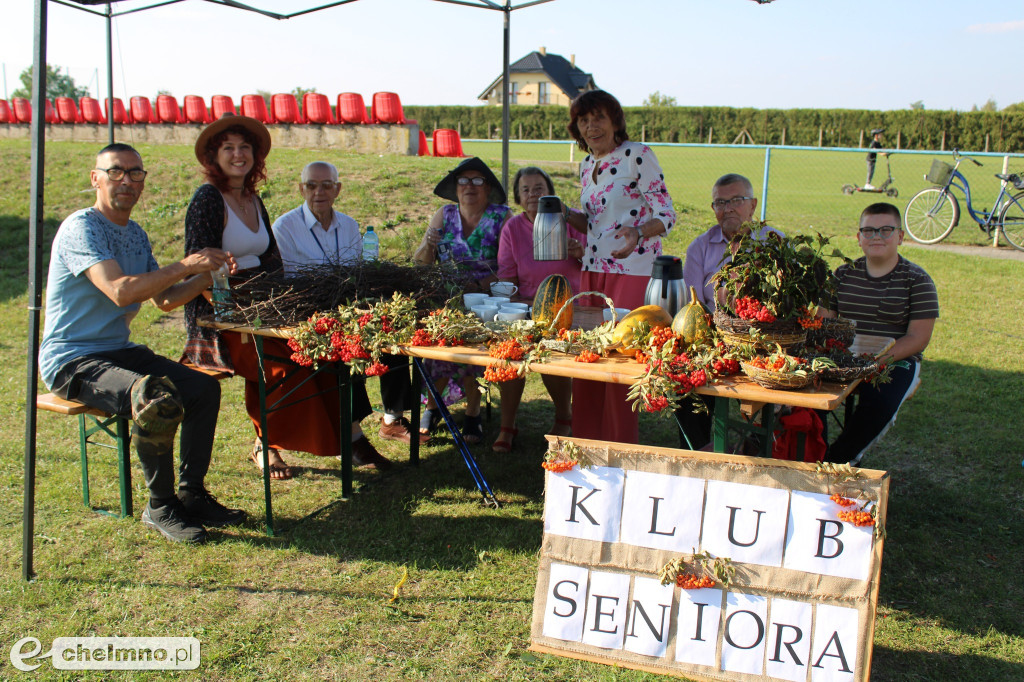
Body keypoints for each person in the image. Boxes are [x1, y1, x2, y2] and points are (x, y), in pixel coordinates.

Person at [39, 142, 245, 544]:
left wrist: (208, 274)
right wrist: (187, 263)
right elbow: (119, 291)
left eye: (136, 173)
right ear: (95, 178)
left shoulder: (134, 232)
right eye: (116, 171)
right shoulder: (81, 227)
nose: (127, 181)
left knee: (202, 388)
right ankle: (161, 505)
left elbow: (163, 298)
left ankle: (192, 493)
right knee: (156, 395)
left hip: (117, 350)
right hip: (72, 359)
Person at [182, 115, 390, 477]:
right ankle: (269, 445)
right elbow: (198, 266)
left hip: (264, 302)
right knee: (284, 358)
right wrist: (238, 309)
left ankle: (350, 436)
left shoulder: (251, 198)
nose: (237, 155)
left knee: (323, 344)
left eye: (244, 147)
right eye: (228, 148)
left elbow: (271, 261)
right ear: (214, 156)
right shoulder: (208, 199)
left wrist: (284, 306)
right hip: (221, 312)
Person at [272, 161, 426, 448]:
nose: (319, 192)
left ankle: (393, 419)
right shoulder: (285, 227)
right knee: (346, 347)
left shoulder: (348, 225)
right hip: (312, 314)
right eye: (311, 185)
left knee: (392, 335)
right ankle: (354, 435)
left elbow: (359, 273)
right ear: (301, 189)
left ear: (338, 189)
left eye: (326, 185)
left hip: (349, 308)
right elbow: (290, 284)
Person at [565, 89, 676, 444]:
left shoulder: (636, 156)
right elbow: (594, 223)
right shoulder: (585, 166)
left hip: (633, 270)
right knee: (587, 355)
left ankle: (618, 444)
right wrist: (561, 213)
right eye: (584, 120)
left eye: (598, 118)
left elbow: (667, 215)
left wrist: (638, 232)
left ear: (615, 121)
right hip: (592, 270)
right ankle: (584, 441)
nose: (591, 126)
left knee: (619, 358)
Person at [823, 202, 938, 465]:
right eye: (869, 231)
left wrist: (875, 362)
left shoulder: (918, 281)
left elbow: (918, 339)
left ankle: (841, 459)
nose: (876, 237)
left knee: (879, 402)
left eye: (886, 230)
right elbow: (823, 323)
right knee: (804, 394)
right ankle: (810, 451)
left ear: (900, 236)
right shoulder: (841, 274)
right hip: (843, 356)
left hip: (895, 361)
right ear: (859, 238)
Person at [678, 173, 780, 449]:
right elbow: (693, 305)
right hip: (712, 340)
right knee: (684, 385)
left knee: (771, 398)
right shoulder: (700, 247)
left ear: (753, 205)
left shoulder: (776, 243)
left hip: (765, 342)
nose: (728, 208)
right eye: (720, 203)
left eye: (737, 200)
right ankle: (699, 454)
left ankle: (757, 446)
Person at [413, 157, 511, 443]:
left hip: (488, 300)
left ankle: (472, 412)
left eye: (478, 181)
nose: (470, 186)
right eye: (463, 181)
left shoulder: (502, 217)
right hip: (448, 298)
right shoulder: (444, 215)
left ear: (488, 188)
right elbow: (422, 264)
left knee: (474, 349)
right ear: (455, 189)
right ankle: (432, 406)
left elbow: (509, 267)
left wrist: (479, 285)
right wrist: (427, 245)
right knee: (438, 345)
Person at [492, 166, 586, 452]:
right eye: (526, 190)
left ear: (551, 194)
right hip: (526, 307)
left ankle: (564, 417)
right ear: (518, 199)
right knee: (507, 352)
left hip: (570, 308)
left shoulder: (571, 223)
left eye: (539, 189)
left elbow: (597, 265)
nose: (533, 195)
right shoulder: (512, 229)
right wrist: (523, 307)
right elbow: (507, 278)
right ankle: (507, 424)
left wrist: (580, 252)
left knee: (551, 354)